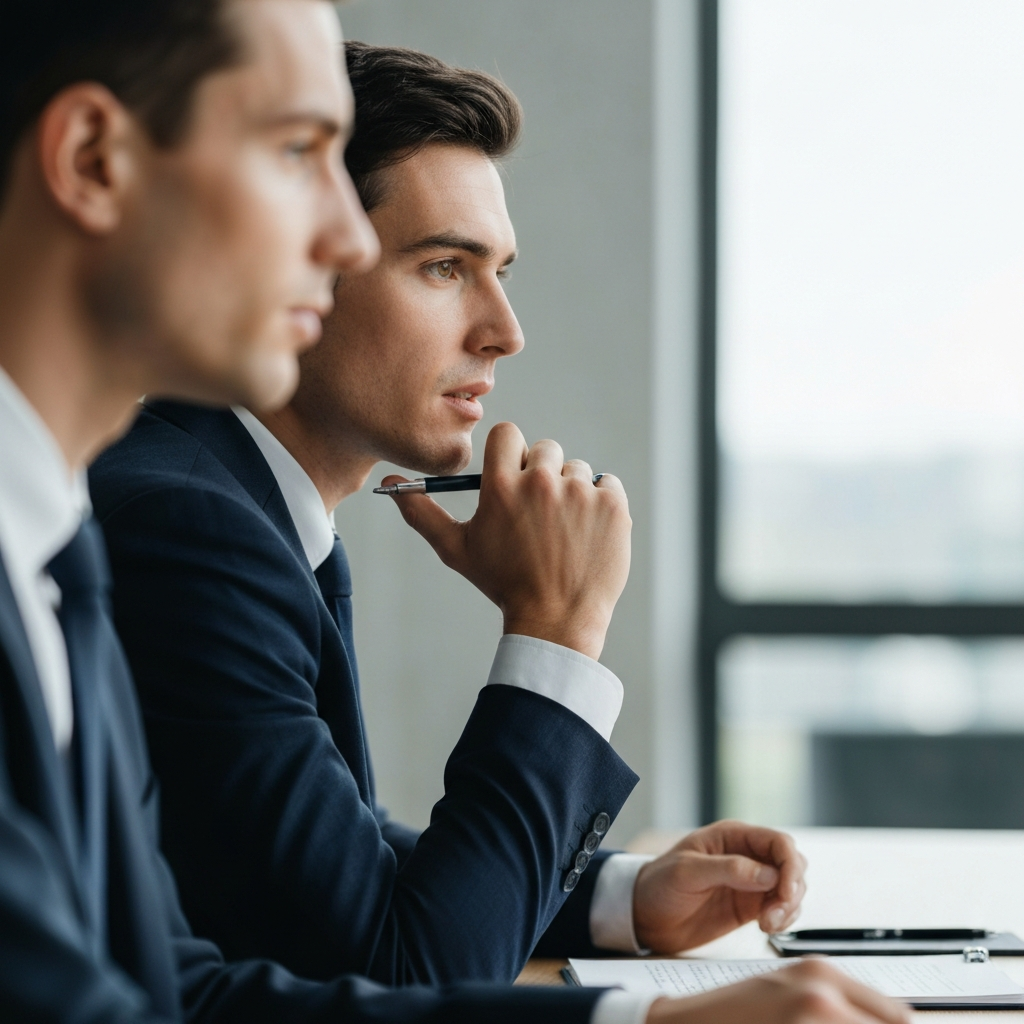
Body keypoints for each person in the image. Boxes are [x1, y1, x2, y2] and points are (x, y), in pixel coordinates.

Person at [87, 39, 909, 1024]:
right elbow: (407, 967)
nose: (503, 328)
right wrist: (555, 630)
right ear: (307, 260)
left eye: (500, 271)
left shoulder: (243, 505)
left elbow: (326, 866)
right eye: (445, 266)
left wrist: (619, 897)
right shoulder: (189, 529)